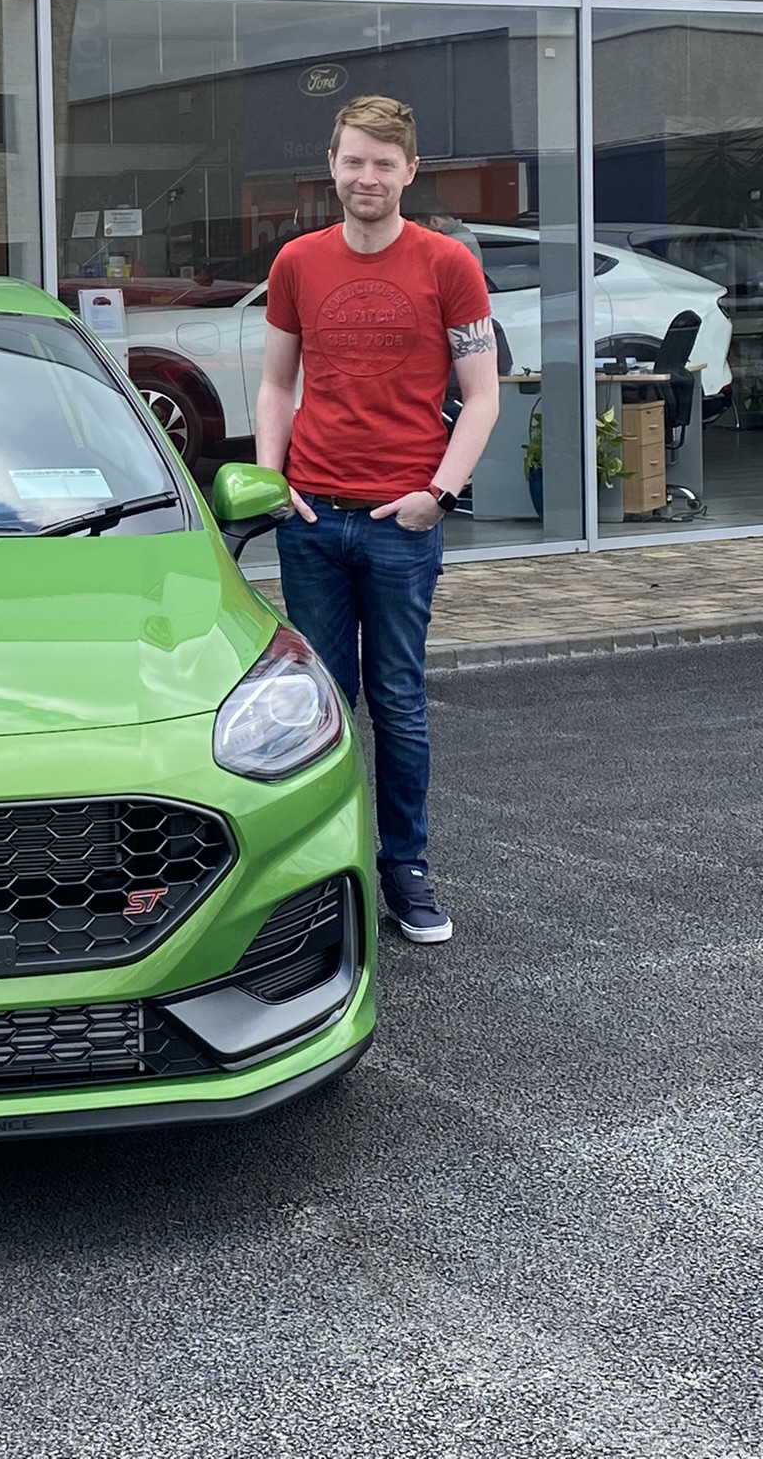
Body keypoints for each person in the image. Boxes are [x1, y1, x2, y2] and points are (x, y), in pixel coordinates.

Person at [254, 95, 500, 945]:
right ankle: (323, 873)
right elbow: (278, 384)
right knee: (319, 705)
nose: (367, 177)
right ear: (333, 164)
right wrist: (273, 476)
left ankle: (405, 869)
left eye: (383, 164)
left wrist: (440, 493)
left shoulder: (448, 266)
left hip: (403, 522)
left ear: (410, 172)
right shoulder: (296, 262)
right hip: (312, 518)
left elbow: (482, 396)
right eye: (354, 161)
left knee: (395, 700)